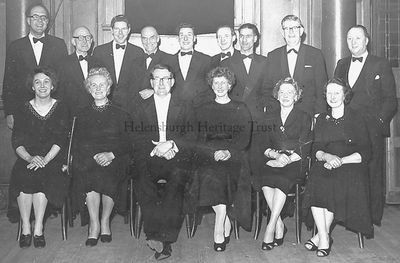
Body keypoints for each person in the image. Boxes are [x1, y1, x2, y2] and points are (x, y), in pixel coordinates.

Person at [129, 64, 195, 260]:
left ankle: (164, 240)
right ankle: (154, 234)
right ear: (151, 82)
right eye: (157, 79)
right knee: (143, 179)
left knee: (175, 182)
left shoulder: (185, 104)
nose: (161, 83)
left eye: (165, 78)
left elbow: (192, 135)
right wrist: (156, 149)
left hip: (176, 156)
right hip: (150, 156)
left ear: (172, 82)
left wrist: (172, 145)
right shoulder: (140, 106)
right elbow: (134, 136)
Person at [334, 25, 398, 226]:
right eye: (350, 38)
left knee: (372, 172)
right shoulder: (342, 64)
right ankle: (346, 215)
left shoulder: (380, 64)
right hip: (346, 128)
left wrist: (378, 123)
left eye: (358, 38)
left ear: (366, 40)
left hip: (371, 130)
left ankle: (371, 218)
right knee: (346, 170)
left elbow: (390, 100)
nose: (353, 42)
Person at [303, 78, 373, 257]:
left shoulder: (357, 117)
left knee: (335, 182)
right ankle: (325, 236)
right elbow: (316, 149)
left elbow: (364, 153)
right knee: (316, 179)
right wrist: (327, 156)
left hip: (350, 165)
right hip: (327, 162)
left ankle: (321, 237)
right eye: (329, 93)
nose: (332, 97)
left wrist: (340, 160)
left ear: (345, 95)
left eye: (337, 93)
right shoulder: (321, 119)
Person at [190, 67, 251, 252]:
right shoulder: (202, 109)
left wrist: (227, 152)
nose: (220, 86)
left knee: (222, 173)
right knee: (211, 173)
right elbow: (197, 137)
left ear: (230, 85)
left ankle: (218, 227)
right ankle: (223, 221)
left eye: (223, 82)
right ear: (211, 84)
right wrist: (211, 152)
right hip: (208, 154)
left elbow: (244, 138)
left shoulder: (240, 107)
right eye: (216, 82)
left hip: (234, 155)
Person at [8, 67, 69, 248]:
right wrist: (29, 158)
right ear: (32, 87)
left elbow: (60, 139)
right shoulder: (23, 108)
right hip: (28, 157)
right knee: (23, 174)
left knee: (44, 174)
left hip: (53, 157)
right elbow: (17, 140)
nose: (42, 85)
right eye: (37, 82)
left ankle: (39, 228)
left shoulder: (62, 107)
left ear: (52, 86)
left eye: (46, 82)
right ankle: (26, 226)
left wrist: (45, 159)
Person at [72, 67, 133, 247]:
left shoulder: (122, 113)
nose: (98, 88)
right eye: (93, 85)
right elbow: (77, 142)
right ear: (88, 89)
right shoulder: (81, 114)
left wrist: (111, 154)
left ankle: (105, 221)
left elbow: (129, 141)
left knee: (110, 173)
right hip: (89, 157)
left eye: (102, 85)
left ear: (108, 88)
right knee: (88, 171)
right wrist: (94, 156)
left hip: (115, 157)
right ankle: (94, 223)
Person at [252, 77, 312, 251]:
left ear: (296, 96)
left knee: (282, 180)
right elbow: (262, 144)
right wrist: (274, 155)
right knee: (265, 177)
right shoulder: (268, 117)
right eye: (282, 92)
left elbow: (306, 144)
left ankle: (270, 227)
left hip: (295, 162)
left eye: (290, 92)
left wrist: (287, 158)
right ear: (277, 96)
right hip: (274, 159)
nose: (285, 95)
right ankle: (279, 224)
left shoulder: (304, 117)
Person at [2, 3, 68, 130]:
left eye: (43, 18)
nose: (40, 21)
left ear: (47, 22)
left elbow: (63, 80)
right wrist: (9, 112)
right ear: (28, 20)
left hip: (52, 109)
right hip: (23, 110)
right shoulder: (15, 47)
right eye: (35, 17)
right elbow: (9, 81)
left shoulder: (59, 45)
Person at [262, 15, 328, 116]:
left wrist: (319, 114)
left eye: (295, 28)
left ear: (301, 31)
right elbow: (267, 88)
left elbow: (321, 88)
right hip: (279, 115)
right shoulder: (273, 56)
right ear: (282, 32)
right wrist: (272, 111)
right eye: (287, 28)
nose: (291, 32)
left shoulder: (315, 55)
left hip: (307, 114)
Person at [92, 15, 144, 111]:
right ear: (111, 30)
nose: (120, 33)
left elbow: (139, 81)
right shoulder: (99, 51)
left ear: (129, 30)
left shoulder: (138, 52)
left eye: (124, 29)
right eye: (116, 29)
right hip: (106, 104)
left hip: (130, 107)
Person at [221, 23, 267, 126]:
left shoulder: (265, 62)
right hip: (233, 116)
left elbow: (268, 90)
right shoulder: (226, 63)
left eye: (248, 36)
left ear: (255, 39)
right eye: (241, 36)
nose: (244, 40)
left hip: (257, 118)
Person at [58, 26, 99, 116]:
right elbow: (60, 93)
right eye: (80, 38)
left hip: (95, 113)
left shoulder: (99, 62)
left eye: (87, 37)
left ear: (91, 41)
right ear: (73, 41)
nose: (84, 41)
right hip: (71, 114)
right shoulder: (63, 63)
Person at [172, 23, 211, 106]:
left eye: (189, 35)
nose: (185, 38)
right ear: (178, 39)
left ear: (194, 38)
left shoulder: (206, 60)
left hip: (199, 108)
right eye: (182, 35)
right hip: (175, 111)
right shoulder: (168, 61)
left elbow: (210, 88)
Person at [136, 26, 178, 100]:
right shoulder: (135, 61)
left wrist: (155, 91)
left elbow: (176, 85)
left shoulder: (170, 59)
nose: (148, 42)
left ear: (158, 39)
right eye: (145, 38)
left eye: (152, 38)